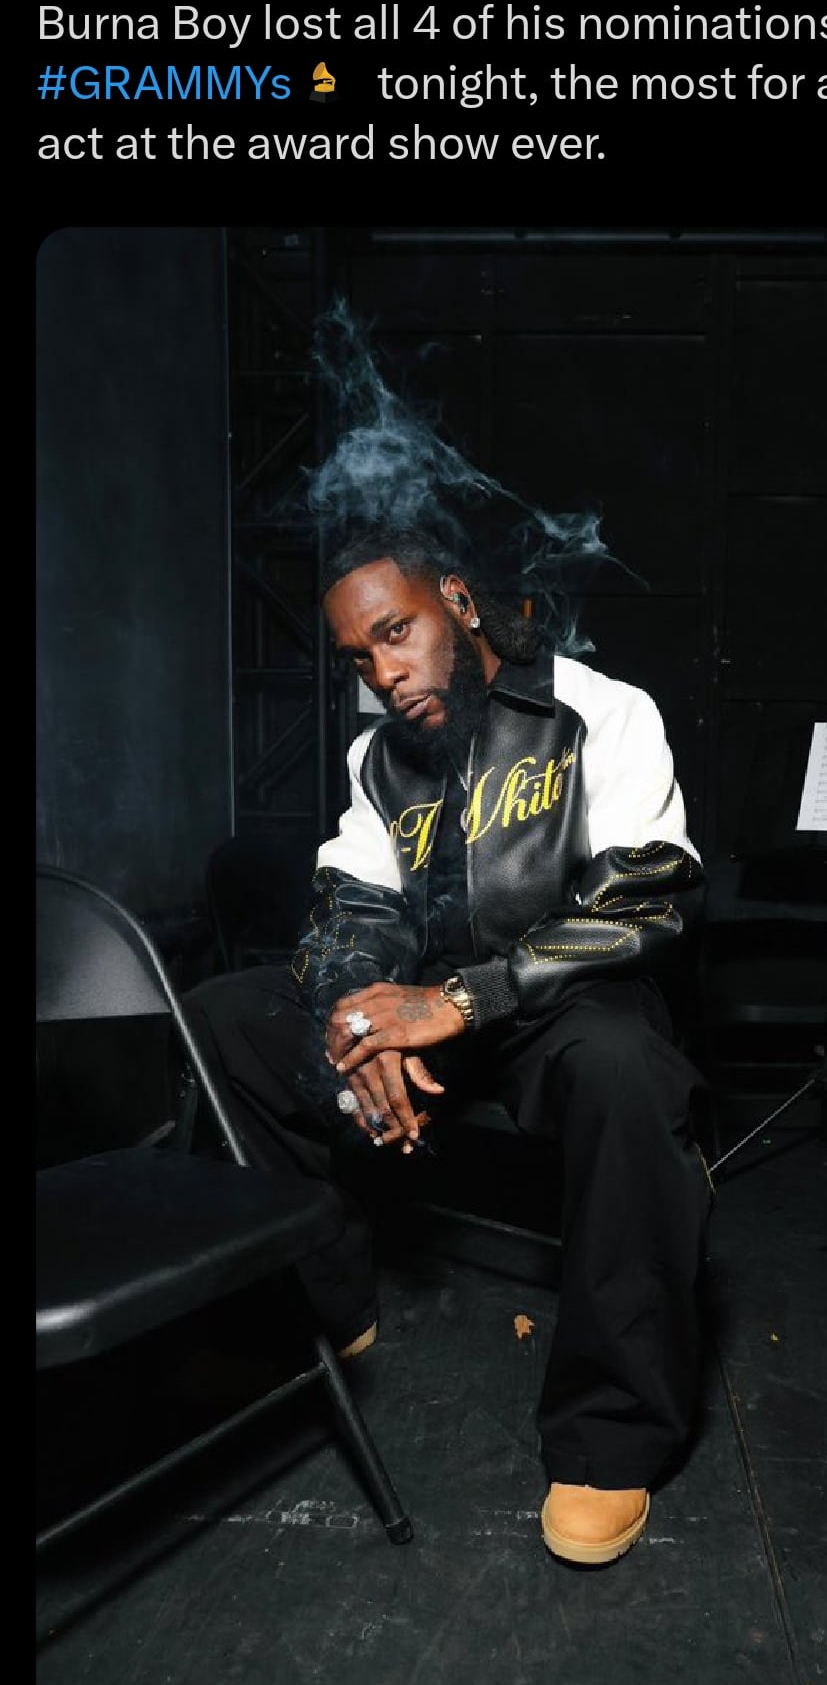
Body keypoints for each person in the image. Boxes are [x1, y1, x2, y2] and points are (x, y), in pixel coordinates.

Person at [185, 525, 713, 1567]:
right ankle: (327, 1297)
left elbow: (644, 895)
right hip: (429, 1004)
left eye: (396, 632)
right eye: (359, 657)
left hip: (558, 1001)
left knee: (626, 1070)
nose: (383, 674)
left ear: (460, 605)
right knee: (225, 1020)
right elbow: (349, 911)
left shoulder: (597, 710)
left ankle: (609, 1436)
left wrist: (467, 997)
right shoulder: (378, 758)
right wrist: (360, 1018)